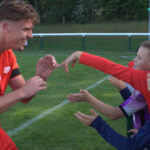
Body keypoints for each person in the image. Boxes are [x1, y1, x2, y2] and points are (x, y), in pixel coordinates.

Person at [0, 0, 57, 149]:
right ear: (5, 27)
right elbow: (22, 93)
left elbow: (24, 97)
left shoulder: (8, 55)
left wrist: (41, 76)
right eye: (26, 29)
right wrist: (22, 92)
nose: (31, 36)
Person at [59, 40, 150, 111]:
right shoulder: (142, 77)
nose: (134, 60)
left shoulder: (143, 78)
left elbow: (110, 67)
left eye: (139, 58)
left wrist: (79, 55)